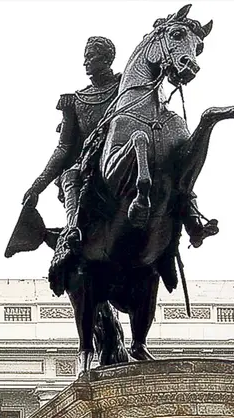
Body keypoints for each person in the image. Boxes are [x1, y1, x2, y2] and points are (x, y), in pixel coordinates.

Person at [17, 36, 217, 255]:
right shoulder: (74, 100)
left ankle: (193, 221)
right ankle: (72, 231)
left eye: (91, 56)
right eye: (85, 57)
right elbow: (63, 148)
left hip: (127, 153)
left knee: (171, 166)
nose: (85, 62)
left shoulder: (128, 87)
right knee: (69, 177)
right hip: (89, 162)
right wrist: (37, 187)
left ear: (106, 59)